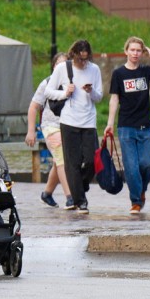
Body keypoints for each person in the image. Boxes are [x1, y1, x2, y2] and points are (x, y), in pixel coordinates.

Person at [105, 36, 150, 214]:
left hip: (144, 127)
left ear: (142, 53)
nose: (135, 53)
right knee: (131, 167)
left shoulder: (145, 71)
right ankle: (136, 202)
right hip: (125, 128)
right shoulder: (119, 74)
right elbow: (114, 99)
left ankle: (141, 191)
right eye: (132, 50)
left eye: (138, 50)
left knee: (148, 164)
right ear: (126, 51)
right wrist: (110, 122)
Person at [45, 39, 103, 214]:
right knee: (73, 162)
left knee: (91, 160)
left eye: (87, 58)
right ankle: (80, 201)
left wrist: (90, 91)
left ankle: (79, 186)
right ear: (74, 55)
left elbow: (99, 96)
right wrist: (65, 92)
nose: (84, 62)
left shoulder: (94, 69)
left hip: (88, 121)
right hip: (68, 120)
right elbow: (49, 91)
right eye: (81, 59)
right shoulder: (63, 68)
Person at [26, 52, 73, 209]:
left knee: (58, 161)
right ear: (53, 67)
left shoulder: (74, 84)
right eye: (58, 64)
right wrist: (31, 131)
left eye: (65, 64)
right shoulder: (46, 84)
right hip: (50, 127)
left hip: (69, 127)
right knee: (62, 160)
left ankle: (47, 193)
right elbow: (34, 107)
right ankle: (70, 197)